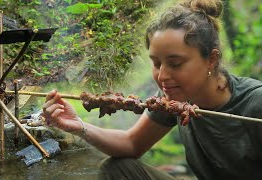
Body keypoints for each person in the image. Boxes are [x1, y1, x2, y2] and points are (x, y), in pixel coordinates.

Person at [42, 0, 262, 179]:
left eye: (175, 64)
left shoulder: (255, 103)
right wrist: (78, 126)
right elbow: (131, 144)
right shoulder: (171, 99)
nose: (162, 76)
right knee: (118, 170)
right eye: (157, 63)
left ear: (211, 60)